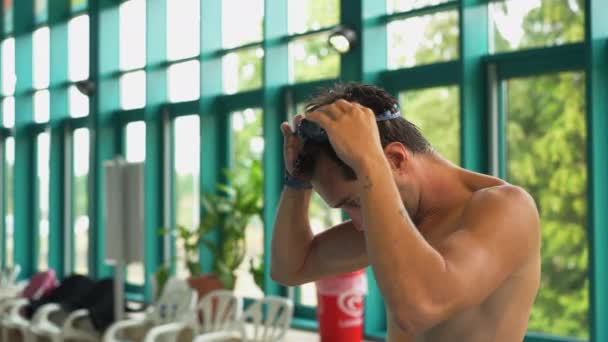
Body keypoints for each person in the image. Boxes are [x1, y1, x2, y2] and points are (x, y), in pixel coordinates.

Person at [270, 83, 541, 341]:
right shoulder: (398, 217)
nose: (361, 225)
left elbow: (418, 309)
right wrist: (297, 184)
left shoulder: (506, 208)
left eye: (357, 200)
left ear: (396, 159)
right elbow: (291, 268)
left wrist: (370, 163)